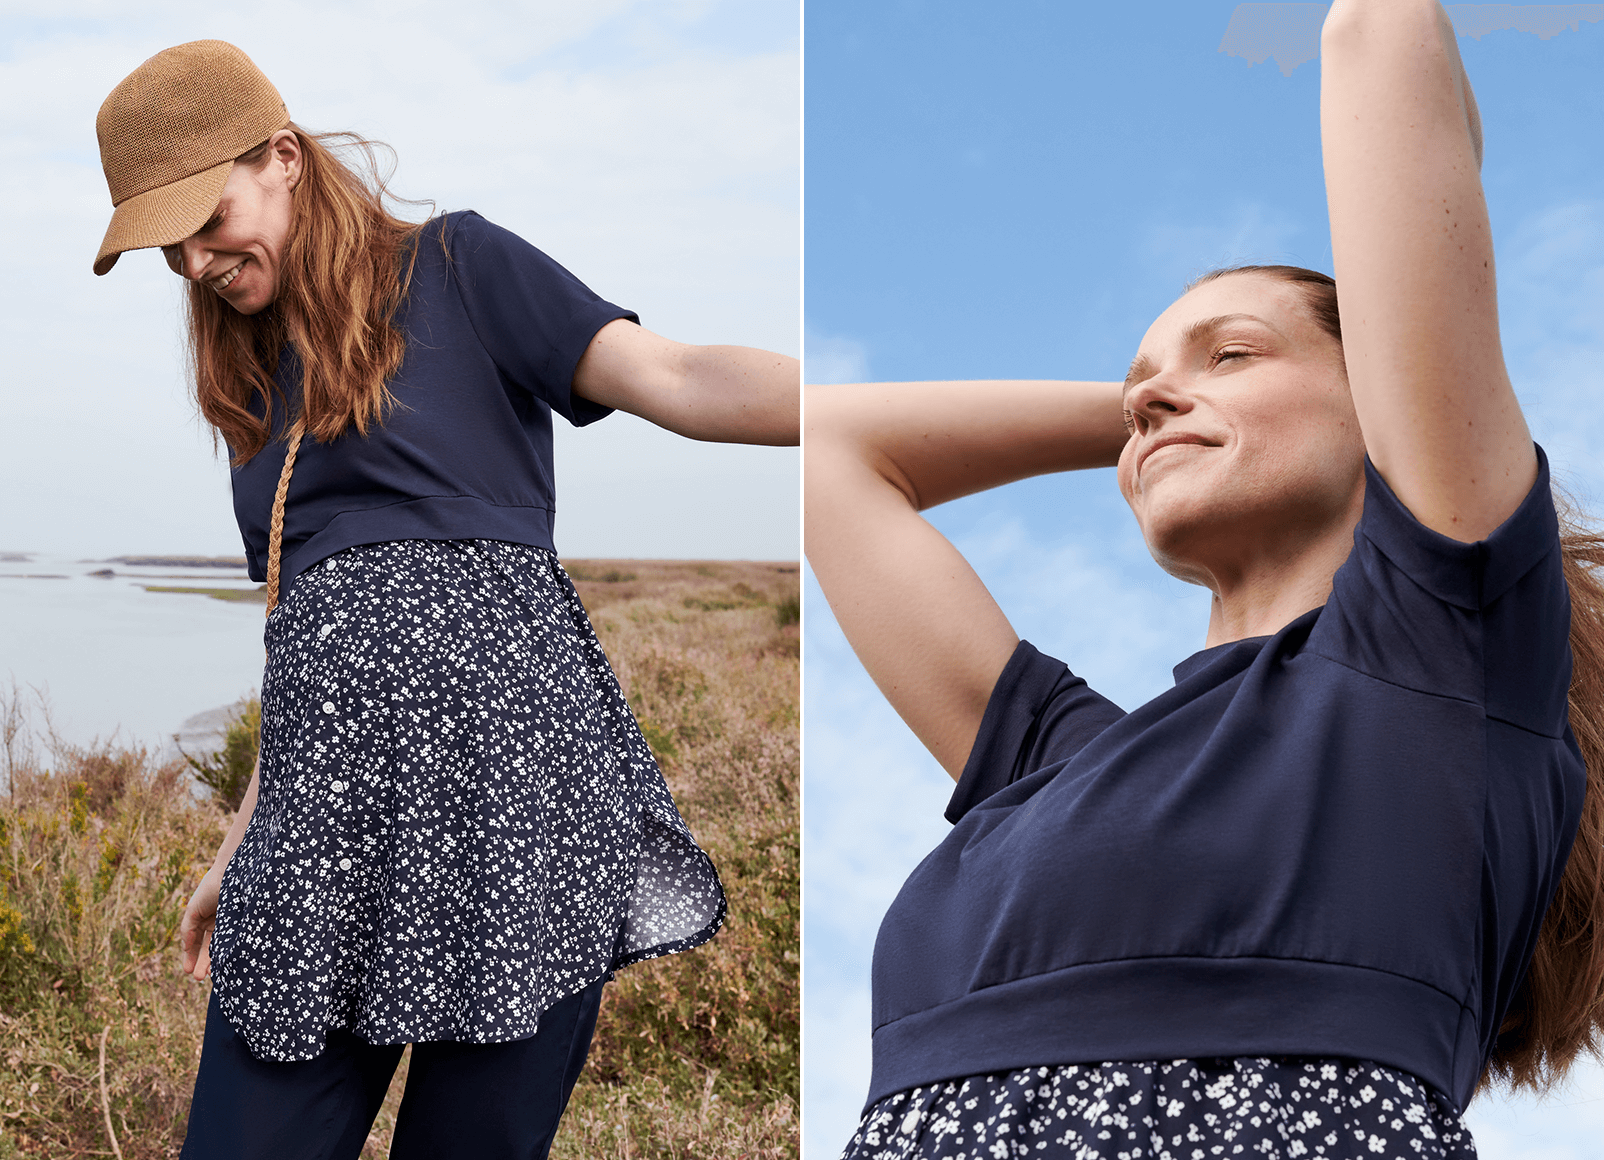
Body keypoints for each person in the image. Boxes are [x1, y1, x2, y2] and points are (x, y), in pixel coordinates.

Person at [805, 2, 1604, 1157]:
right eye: (1142, 382)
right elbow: (829, 450)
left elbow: (1377, 35)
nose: (1153, 395)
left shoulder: (1442, 645)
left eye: (1231, 350)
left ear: (1377, 390)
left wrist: (1250, 404)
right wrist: (1161, 412)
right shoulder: (1052, 763)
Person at [92, 39, 797, 1160]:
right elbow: (302, 648)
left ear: (282, 156)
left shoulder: (462, 267)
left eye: (206, 217)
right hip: (319, 841)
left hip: (519, 814)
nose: (193, 261)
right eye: (167, 244)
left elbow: (679, 377)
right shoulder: (248, 393)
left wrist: (864, 412)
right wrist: (244, 834)